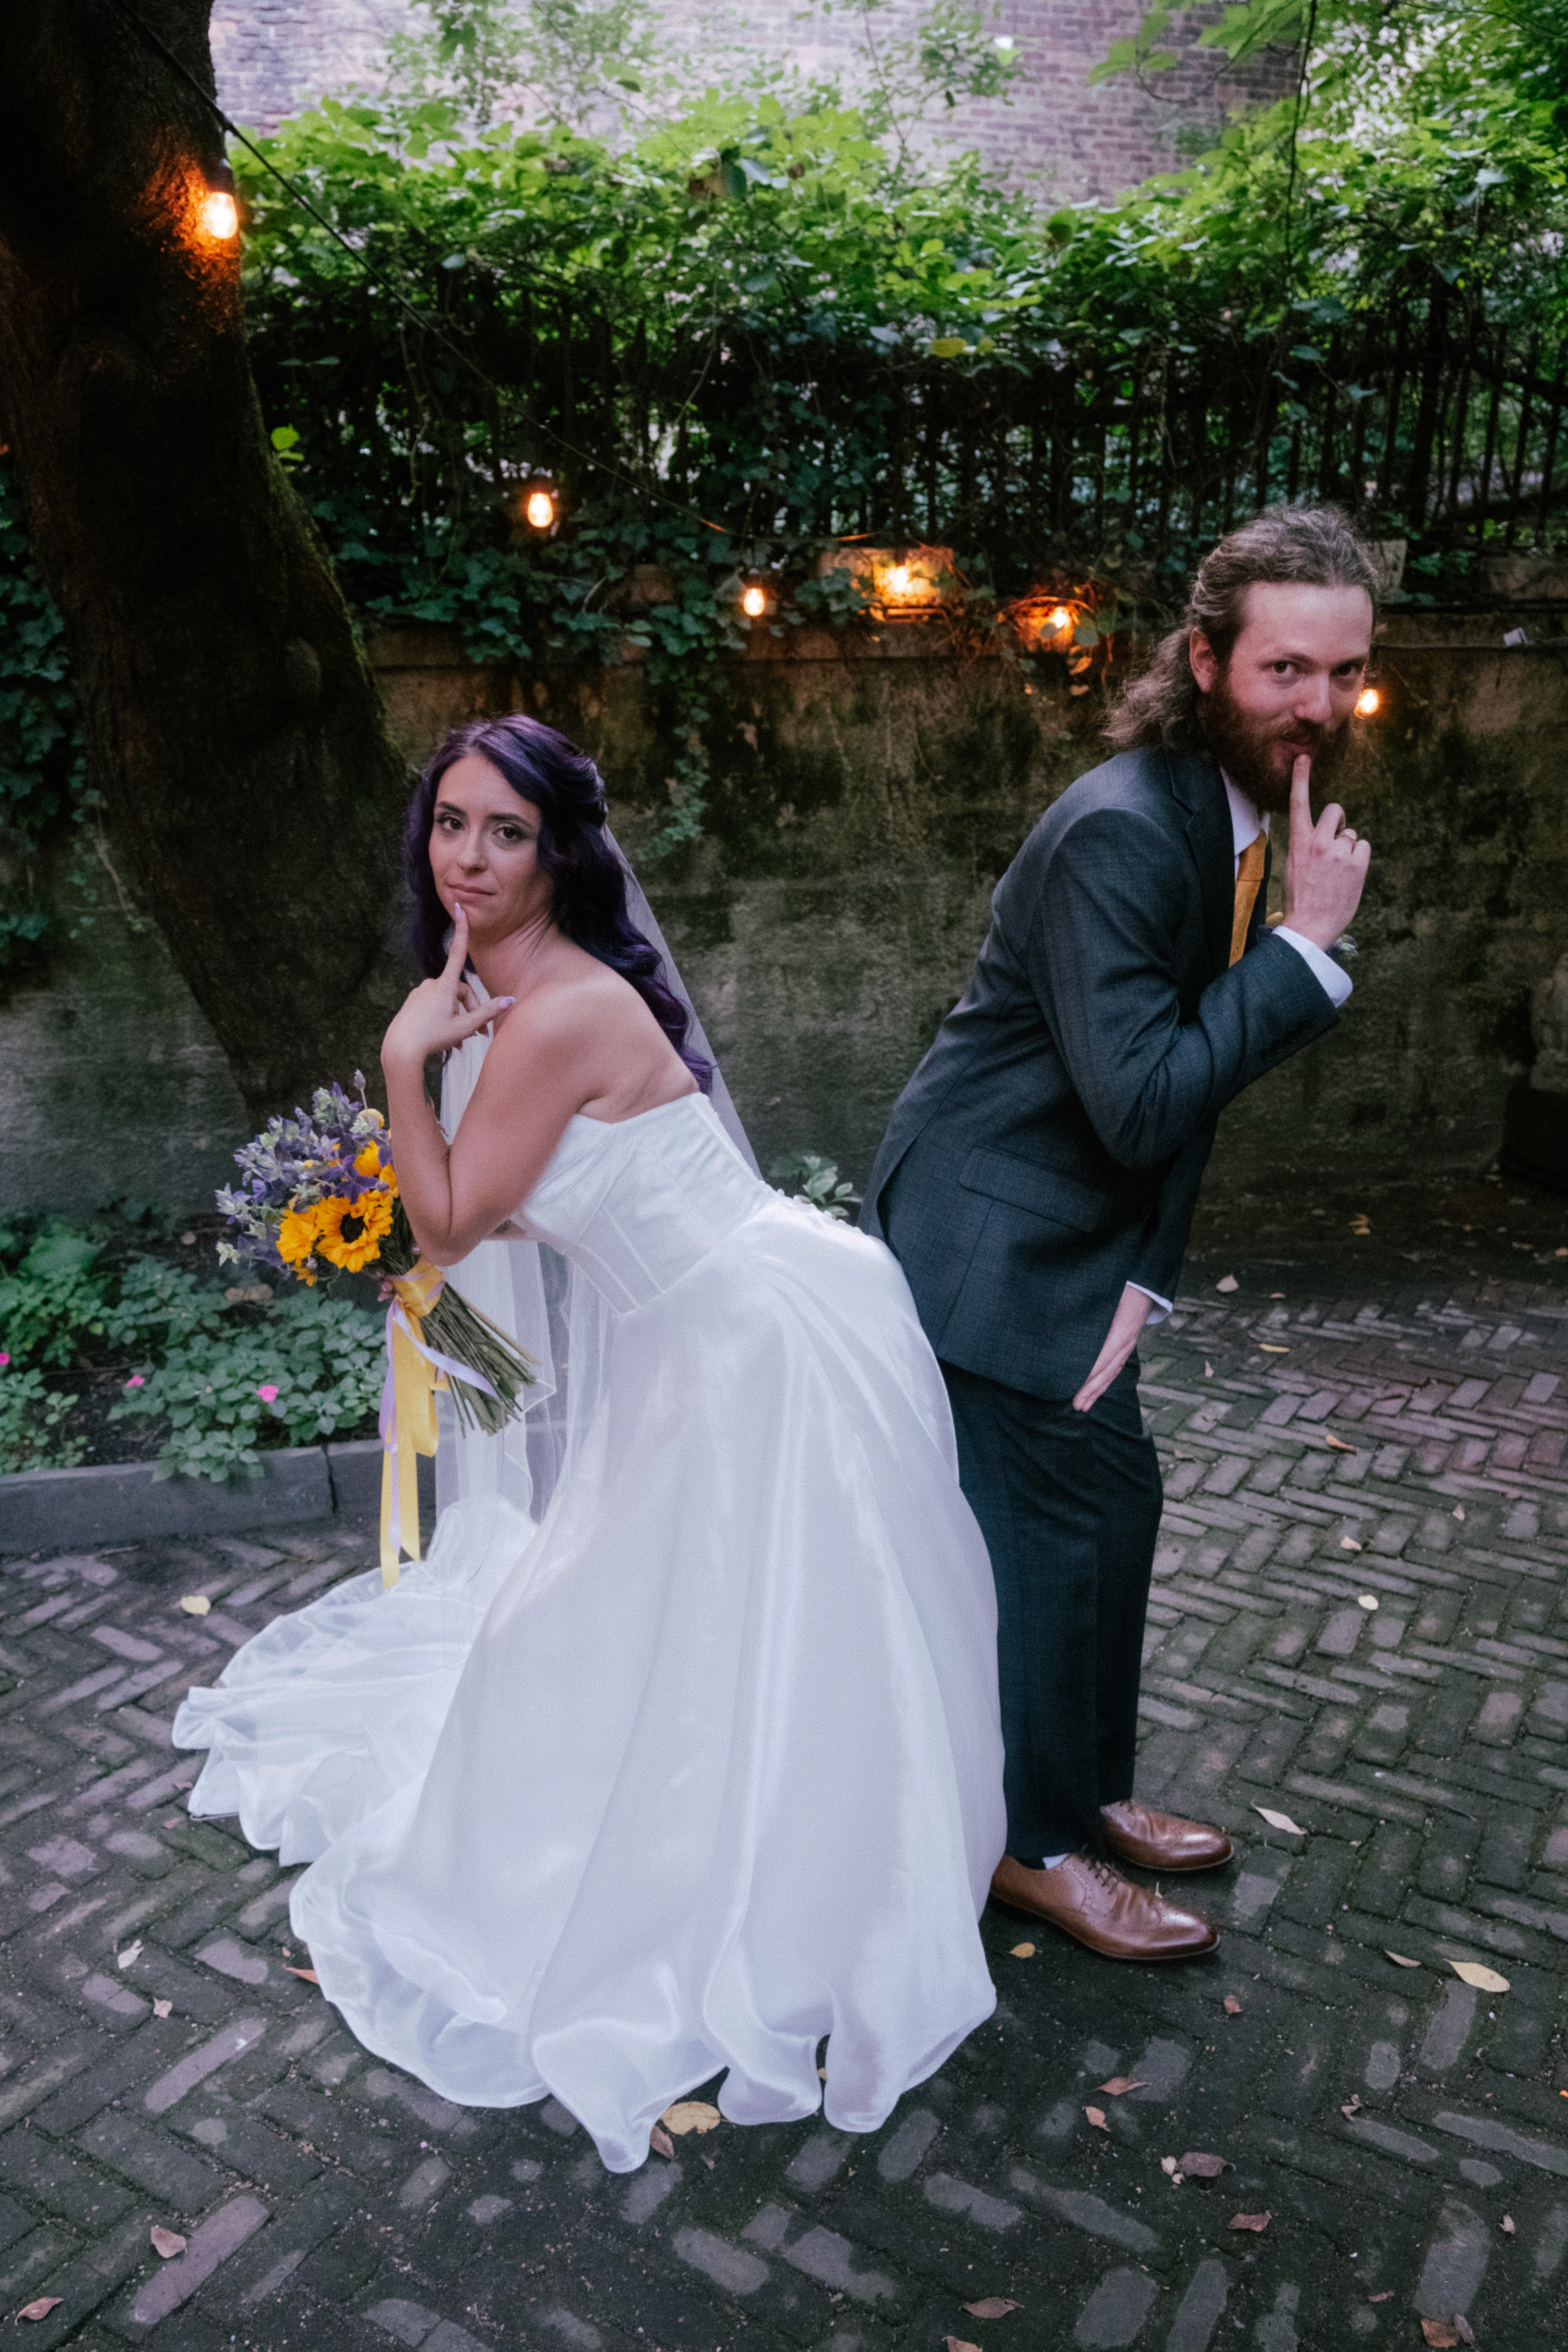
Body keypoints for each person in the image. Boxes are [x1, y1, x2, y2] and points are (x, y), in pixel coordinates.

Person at [173, 713, 1006, 2174]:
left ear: (560, 851)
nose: (471, 857)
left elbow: (452, 1222)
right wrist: (398, 1179)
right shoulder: (503, 990)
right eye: (451, 823)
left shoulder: (553, 1007)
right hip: (706, 1330)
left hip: (746, 1340)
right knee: (672, 1621)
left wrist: (399, 1064)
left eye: (508, 831)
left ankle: (799, 1893)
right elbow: (509, 1206)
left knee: (720, 1621)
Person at [860, 505, 1377, 1964]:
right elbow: (1147, 1096)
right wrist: (1304, 948)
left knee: (1114, 1516)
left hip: (1087, 1237)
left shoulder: (1231, 815)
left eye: (1344, 672)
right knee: (1039, 1553)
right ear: (1204, 662)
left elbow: (1179, 1085)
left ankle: (1084, 1793)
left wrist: (1148, 1274)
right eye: (1286, 669)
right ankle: (1026, 1847)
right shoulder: (1122, 832)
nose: (1320, 706)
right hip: (991, 1238)